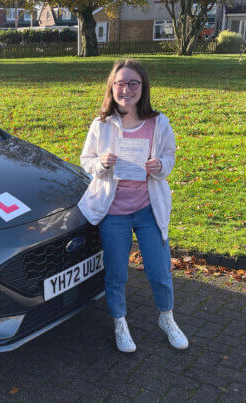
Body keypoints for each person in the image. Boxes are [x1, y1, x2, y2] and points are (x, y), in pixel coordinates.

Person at [78, 59, 188, 353]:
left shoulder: (158, 122)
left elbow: (171, 155)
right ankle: (120, 323)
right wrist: (101, 163)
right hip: (113, 212)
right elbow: (86, 160)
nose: (126, 89)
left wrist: (160, 165)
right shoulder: (101, 124)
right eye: (120, 83)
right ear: (112, 87)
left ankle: (167, 318)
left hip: (148, 209)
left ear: (143, 87)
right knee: (117, 273)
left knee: (160, 270)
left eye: (133, 83)